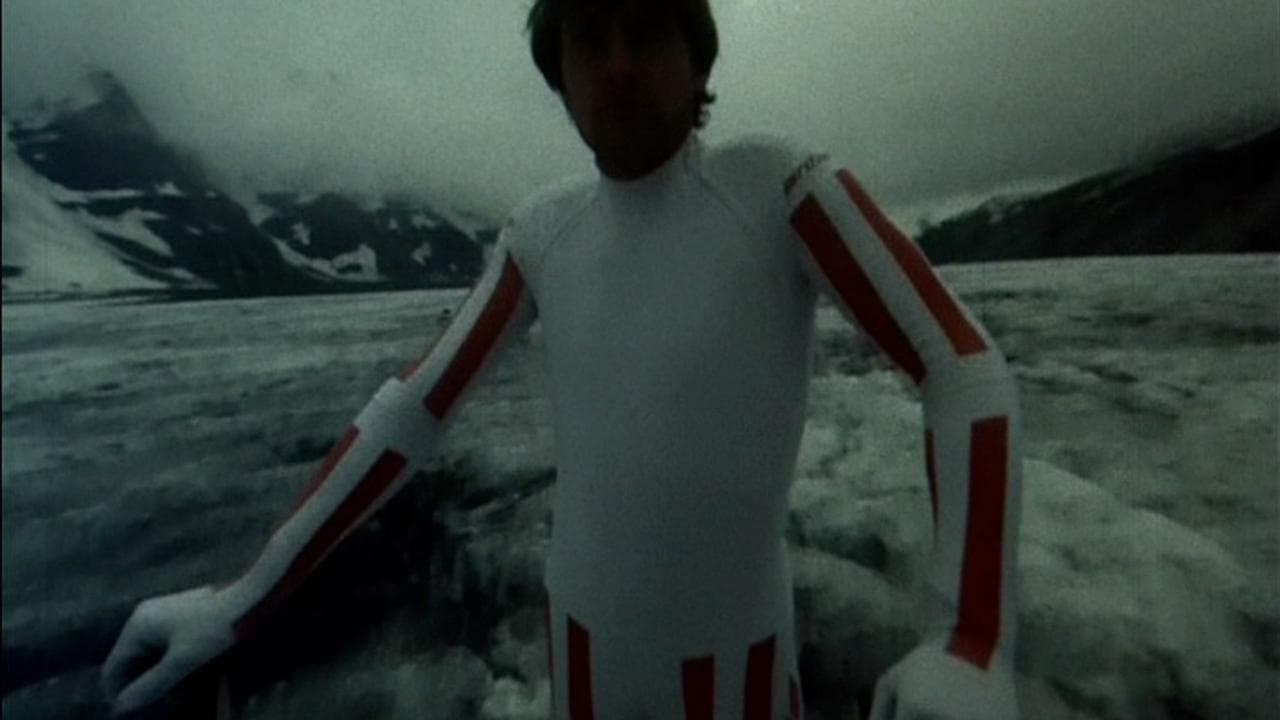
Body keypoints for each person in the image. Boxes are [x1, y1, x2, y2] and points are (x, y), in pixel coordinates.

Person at [102, 1, 1023, 718]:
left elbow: (961, 369)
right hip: (580, 664)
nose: (616, 64)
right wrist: (243, 597)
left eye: (645, 30)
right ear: (561, 78)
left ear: (698, 58)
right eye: (588, 41)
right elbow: (413, 411)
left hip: (736, 672)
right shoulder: (543, 232)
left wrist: (974, 639)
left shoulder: (780, 189)